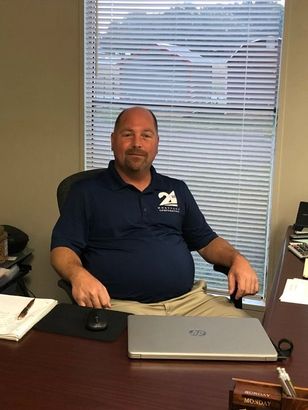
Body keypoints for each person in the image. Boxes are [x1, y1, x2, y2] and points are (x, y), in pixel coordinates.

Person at [50, 106, 258, 317]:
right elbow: (62, 249)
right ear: (113, 140)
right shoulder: (86, 192)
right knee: (142, 349)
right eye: (127, 134)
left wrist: (237, 259)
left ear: (157, 143)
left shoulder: (176, 189)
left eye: (146, 135)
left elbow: (207, 242)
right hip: (121, 307)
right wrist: (78, 275)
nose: (137, 143)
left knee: (249, 340)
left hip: (190, 303)